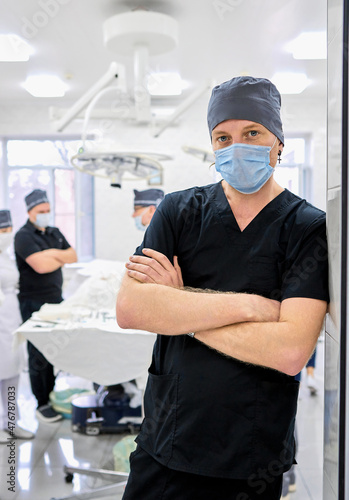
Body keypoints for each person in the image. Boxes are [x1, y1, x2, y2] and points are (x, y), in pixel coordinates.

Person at [116, 76, 329, 500]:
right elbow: (132, 310)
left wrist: (180, 309)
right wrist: (256, 307)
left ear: (279, 142)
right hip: (166, 440)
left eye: (252, 132)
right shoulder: (177, 210)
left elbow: (289, 352)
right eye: (222, 136)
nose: (237, 145)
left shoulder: (308, 227)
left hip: (250, 452)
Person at [14, 189, 77, 423]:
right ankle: (41, 403)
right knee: (38, 351)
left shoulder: (54, 232)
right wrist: (56, 256)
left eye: (48, 211)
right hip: (33, 301)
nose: (45, 215)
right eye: (41, 212)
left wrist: (51, 254)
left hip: (55, 299)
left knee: (52, 348)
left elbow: (73, 256)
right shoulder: (23, 236)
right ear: (30, 211)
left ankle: (50, 394)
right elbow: (40, 266)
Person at [0, 210, 34, 443]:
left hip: (10, 315)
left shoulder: (5, 256)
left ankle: (12, 423)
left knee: (12, 371)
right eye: (3, 231)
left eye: (8, 230)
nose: (7, 235)